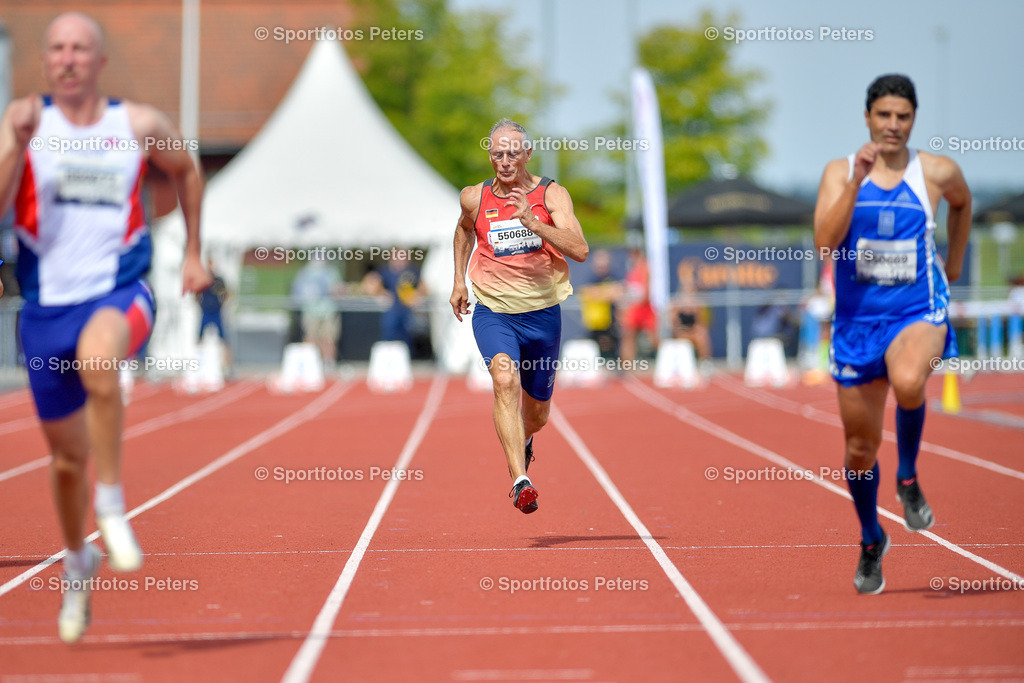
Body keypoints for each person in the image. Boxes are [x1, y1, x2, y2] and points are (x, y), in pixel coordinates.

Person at [0, 12, 210, 642]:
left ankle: (113, 504)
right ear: (45, 61)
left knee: (101, 360)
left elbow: (189, 170)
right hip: (44, 307)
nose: (67, 58)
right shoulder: (25, 122)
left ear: (99, 62)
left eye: (79, 49)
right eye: (57, 48)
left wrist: (195, 251)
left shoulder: (138, 124)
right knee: (65, 463)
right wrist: (12, 142)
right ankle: (77, 559)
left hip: (121, 289)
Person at [814, 74, 970, 595]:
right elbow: (824, 239)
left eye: (903, 116)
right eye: (884, 115)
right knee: (859, 449)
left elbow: (964, 203)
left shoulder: (936, 172)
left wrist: (954, 260)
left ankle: (906, 478)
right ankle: (869, 537)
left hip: (917, 310)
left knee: (909, 381)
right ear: (867, 118)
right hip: (857, 325)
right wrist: (857, 181)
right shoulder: (840, 173)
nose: (893, 126)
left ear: (913, 119)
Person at [450, 118, 588, 514]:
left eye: (512, 153)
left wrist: (533, 223)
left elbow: (579, 250)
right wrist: (458, 281)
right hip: (495, 310)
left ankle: (525, 441)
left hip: (543, 314)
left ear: (527, 154)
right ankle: (519, 479)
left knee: (538, 414)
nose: (504, 161)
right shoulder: (474, 198)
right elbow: (463, 231)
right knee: (504, 377)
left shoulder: (552, 195)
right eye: (497, 153)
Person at [363, 252, 427, 353]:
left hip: (407, 311)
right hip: (391, 311)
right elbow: (369, 283)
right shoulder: (384, 271)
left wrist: (417, 296)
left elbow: (424, 287)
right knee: (389, 339)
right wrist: (380, 294)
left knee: (406, 340)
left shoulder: (412, 271)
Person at [290, 257, 342, 368]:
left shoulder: (330, 272)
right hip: (310, 310)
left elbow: (337, 290)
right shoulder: (305, 272)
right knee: (311, 337)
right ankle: (309, 361)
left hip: (328, 311)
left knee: (328, 338)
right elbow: (297, 291)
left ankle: (328, 361)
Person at [579, 249, 623, 363]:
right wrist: (605, 293)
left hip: (611, 319)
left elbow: (618, 292)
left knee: (615, 340)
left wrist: (601, 294)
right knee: (592, 342)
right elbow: (586, 292)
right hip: (595, 321)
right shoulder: (592, 279)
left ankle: (619, 363)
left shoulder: (613, 277)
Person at [620, 249, 658, 363]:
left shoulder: (644, 268)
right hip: (634, 307)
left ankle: (663, 361)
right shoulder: (632, 270)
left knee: (653, 339)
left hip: (644, 307)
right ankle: (627, 366)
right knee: (628, 337)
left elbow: (645, 293)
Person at [197, 258, 232, 372]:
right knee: (199, 338)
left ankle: (228, 366)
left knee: (224, 339)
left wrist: (221, 303)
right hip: (206, 311)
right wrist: (201, 304)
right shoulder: (203, 280)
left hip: (216, 312)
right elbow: (196, 293)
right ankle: (197, 364)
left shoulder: (218, 281)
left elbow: (226, 293)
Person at [670, 270, 711, 361]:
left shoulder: (698, 305)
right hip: (680, 332)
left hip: (693, 332)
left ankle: (705, 362)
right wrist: (683, 330)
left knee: (701, 335)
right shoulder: (676, 304)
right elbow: (673, 325)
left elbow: (702, 323)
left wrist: (696, 310)